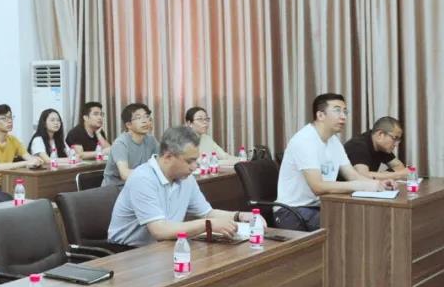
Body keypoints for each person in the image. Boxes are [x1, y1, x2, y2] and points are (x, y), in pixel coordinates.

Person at [108, 127, 253, 247]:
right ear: (168, 157)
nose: (194, 167)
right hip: (127, 252)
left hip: (164, 247)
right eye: (189, 161)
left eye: (196, 160)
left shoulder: (186, 178)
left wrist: (240, 216)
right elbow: (160, 231)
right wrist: (208, 224)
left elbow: (207, 213)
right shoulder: (143, 178)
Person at [275, 93, 393, 230]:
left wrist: (378, 184)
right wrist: (359, 185)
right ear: (320, 115)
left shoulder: (333, 141)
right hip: (292, 211)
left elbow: (352, 175)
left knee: (364, 217)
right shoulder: (304, 141)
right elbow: (318, 187)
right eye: (337, 111)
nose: (343, 116)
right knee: (351, 225)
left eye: (345, 111)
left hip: (319, 205)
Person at [0, 104, 42, 196]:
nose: (9, 121)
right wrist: (26, 163)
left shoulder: (13, 140)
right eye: (4, 118)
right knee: (17, 199)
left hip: (8, 184)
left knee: (33, 194)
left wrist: (36, 161)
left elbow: (28, 157)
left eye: (10, 117)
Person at [102, 103, 160, 187]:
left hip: (138, 184)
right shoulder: (120, 143)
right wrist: (150, 174)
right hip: (115, 188)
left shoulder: (151, 140)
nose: (145, 121)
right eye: (138, 118)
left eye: (147, 116)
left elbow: (161, 163)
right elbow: (125, 174)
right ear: (128, 125)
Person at [343, 117, 408, 181]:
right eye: (395, 138)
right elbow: (362, 176)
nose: (396, 144)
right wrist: (397, 175)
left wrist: (384, 175)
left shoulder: (382, 147)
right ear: (380, 134)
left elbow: (399, 166)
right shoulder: (358, 145)